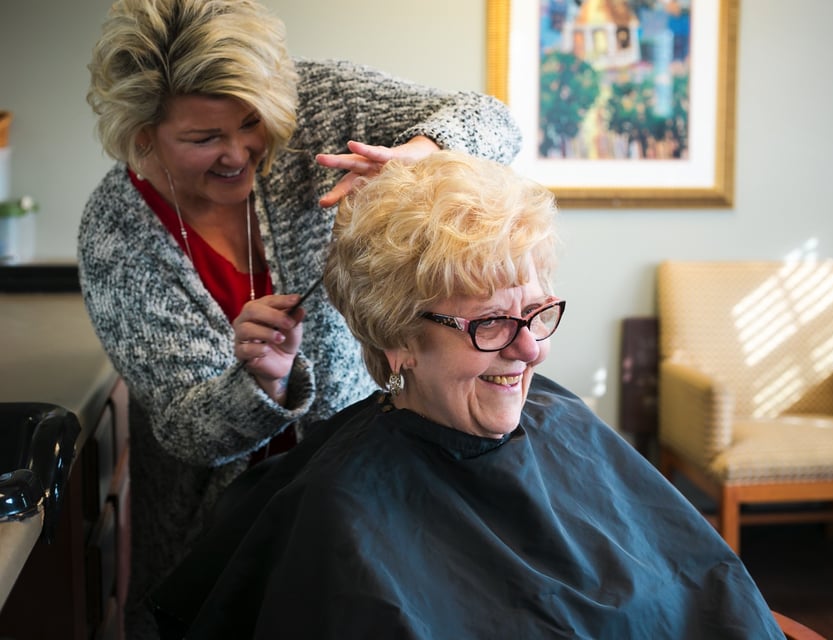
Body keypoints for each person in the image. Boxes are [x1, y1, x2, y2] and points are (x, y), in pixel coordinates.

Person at [149, 151, 784, 639]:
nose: (530, 350)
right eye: (490, 324)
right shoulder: (340, 510)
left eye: (537, 312)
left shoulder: (555, 413)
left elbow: (701, 587)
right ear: (396, 338)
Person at [78, 1, 521, 637]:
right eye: (204, 139)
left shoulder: (313, 105)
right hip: (218, 529)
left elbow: (493, 121)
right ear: (143, 134)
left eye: (251, 123)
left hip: (360, 483)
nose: (239, 154)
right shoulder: (116, 234)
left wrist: (422, 156)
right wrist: (263, 382)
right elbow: (185, 428)